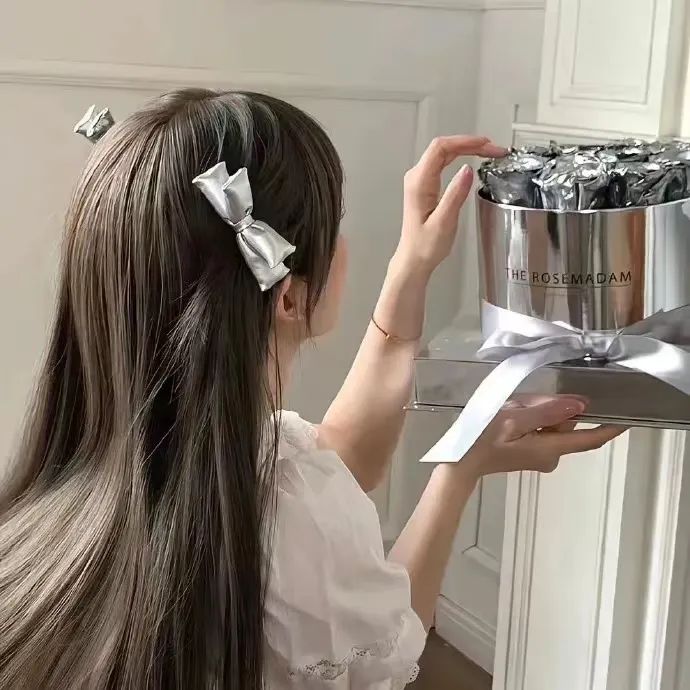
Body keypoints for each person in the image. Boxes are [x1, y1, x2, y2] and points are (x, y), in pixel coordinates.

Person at [0, 89, 624, 689]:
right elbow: (386, 652)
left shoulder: (70, 506)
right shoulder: (287, 531)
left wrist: (412, 267)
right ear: (290, 297)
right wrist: (460, 471)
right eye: (336, 226)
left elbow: (346, 460)